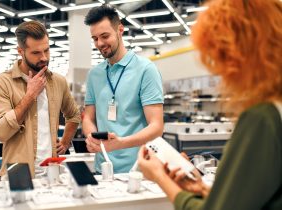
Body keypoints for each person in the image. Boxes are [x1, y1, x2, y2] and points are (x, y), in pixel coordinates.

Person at [138, 0, 282, 209]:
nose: (221, 72)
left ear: (241, 55)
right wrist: (207, 191)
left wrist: (161, 177)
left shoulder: (263, 118)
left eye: (222, 58)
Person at [0, 21, 81, 177]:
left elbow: (74, 115)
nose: (44, 57)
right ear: (21, 51)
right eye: (36, 53)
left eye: (46, 50)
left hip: (52, 172)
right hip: (17, 174)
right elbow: (0, 132)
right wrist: (30, 95)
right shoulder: (2, 82)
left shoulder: (58, 81)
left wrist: (65, 142)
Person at [82, 4, 164, 174]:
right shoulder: (94, 74)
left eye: (105, 36)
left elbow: (156, 126)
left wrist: (121, 143)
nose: (100, 43)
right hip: (102, 169)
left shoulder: (145, 69)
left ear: (120, 30)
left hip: (138, 170)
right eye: (95, 38)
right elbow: (88, 118)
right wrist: (92, 137)